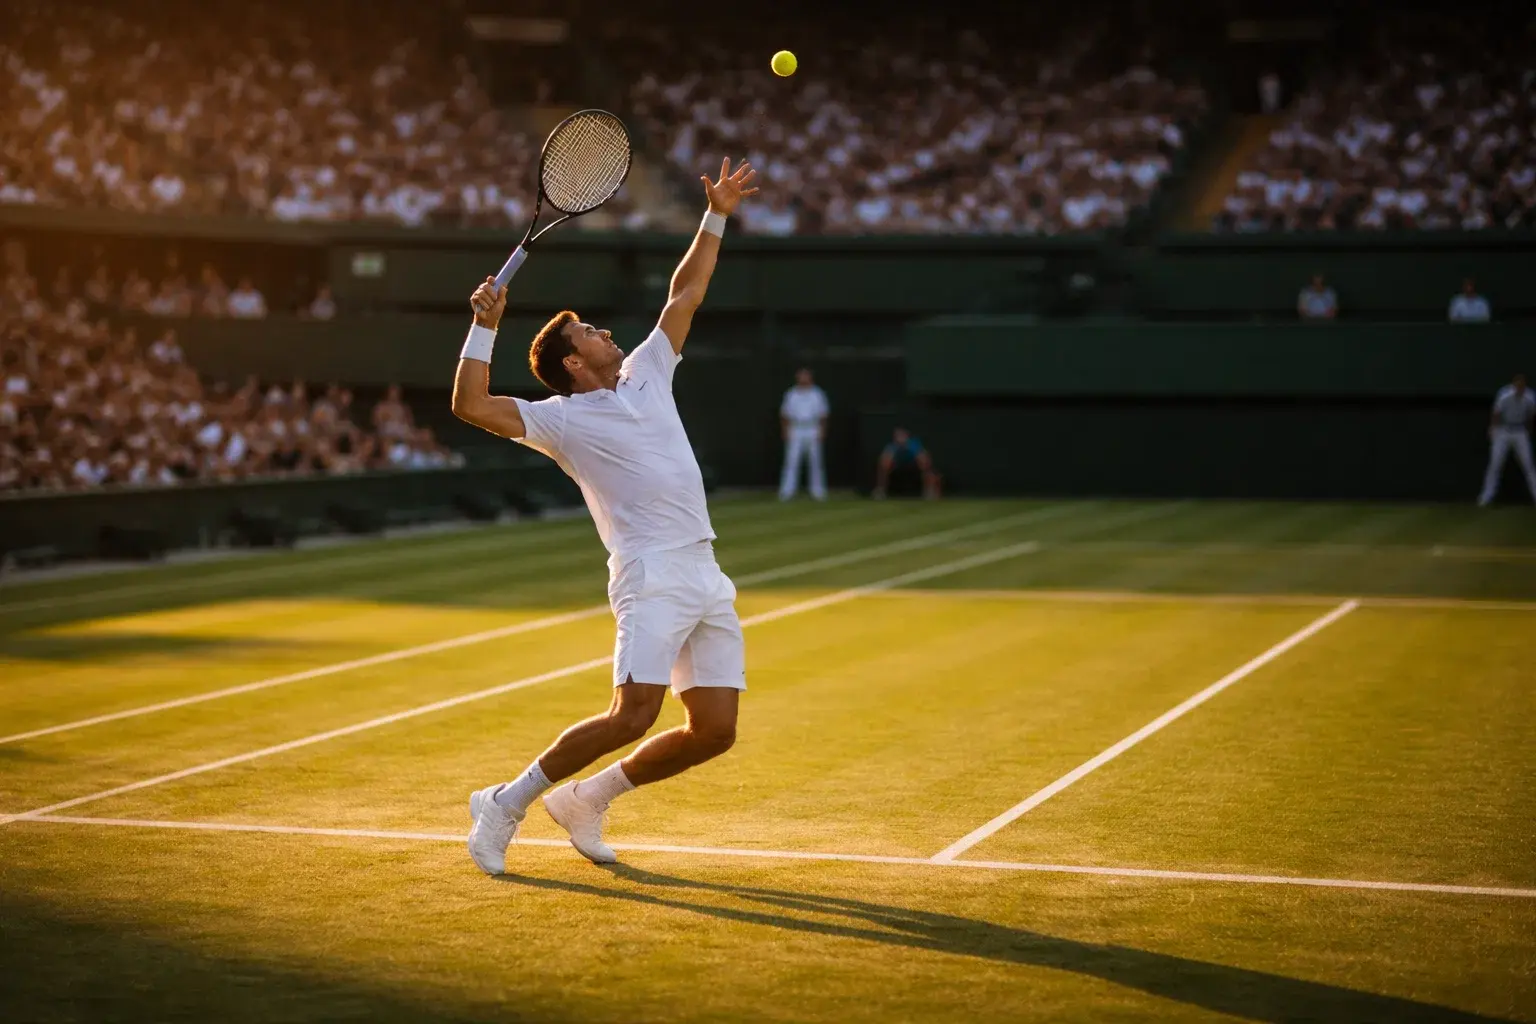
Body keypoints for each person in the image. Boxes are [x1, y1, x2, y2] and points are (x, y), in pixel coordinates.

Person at [451, 156, 759, 874]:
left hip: (703, 568)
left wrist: (714, 215)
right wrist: (481, 328)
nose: (603, 332)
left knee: (714, 731)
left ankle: (588, 799)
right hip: (649, 574)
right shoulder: (558, 419)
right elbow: (469, 405)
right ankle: (505, 801)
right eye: (588, 331)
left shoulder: (648, 370)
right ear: (573, 364)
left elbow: (686, 291)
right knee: (632, 713)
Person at [1478, 373, 1536, 506]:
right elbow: (1496, 413)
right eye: (1517, 386)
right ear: (1513, 385)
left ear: (1524, 386)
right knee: (1495, 464)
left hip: (1520, 430)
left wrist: (1529, 430)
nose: (1519, 389)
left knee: (1529, 465)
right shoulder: (1504, 395)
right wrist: (1493, 429)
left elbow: (1531, 415)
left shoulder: (1530, 396)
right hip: (1503, 430)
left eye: (1521, 386)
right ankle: (1486, 498)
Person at [777, 368, 829, 500]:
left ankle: (818, 491)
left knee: (815, 460)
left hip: (812, 427)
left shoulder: (817, 394)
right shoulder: (791, 394)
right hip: (796, 428)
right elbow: (784, 414)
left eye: (806, 376)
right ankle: (787, 491)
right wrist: (785, 430)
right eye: (801, 377)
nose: (803, 379)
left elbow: (823, 415)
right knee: (792, 460)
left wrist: (822, 430)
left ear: (810, 378)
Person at [874, 427, 940, 499]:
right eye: (898, 436)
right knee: (883, 464)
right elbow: (885, 459)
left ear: (907, 437)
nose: (900, 438)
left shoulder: (914, 445)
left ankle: (930, 491)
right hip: (897, 466)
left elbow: (923, 458)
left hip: (915, 465)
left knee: (925, 463)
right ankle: (881, 490)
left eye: (902, 436)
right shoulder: (892, 446)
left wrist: (922, 461)